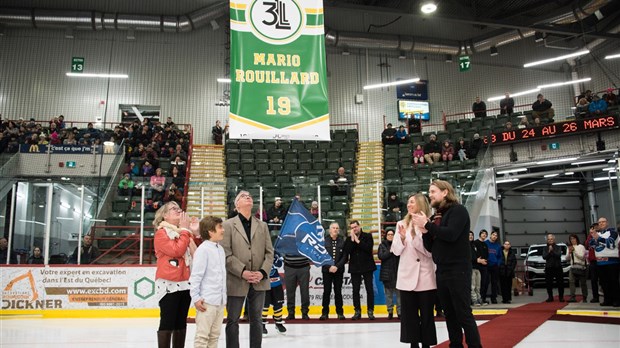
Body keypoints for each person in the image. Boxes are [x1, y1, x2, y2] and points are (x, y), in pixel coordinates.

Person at [412, 180, 481, 348]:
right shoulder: (437, 217)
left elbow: (451, 234)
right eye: (430, 192)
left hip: (458, 270)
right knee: (449, 314)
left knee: (463, 313)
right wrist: (425, 232)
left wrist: (427, 225)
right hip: (441, 271)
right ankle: (455, 345)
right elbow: (431, 247)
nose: (430, 195)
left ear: (445, 192)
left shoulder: (458, 211)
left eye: (433, 191)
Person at [221, 190, 274, 348]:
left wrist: (262, 272)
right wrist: (243, 271)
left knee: (257, 320)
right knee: (233, 320)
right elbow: (226, 253)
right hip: (236, 279)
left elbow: (269, 253)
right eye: (243, 196)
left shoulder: (262, 225)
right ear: (237, 205)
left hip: (259, 280)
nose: (248, 197)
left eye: (249, 196)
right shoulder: (227, 225)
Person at [391, 193, 437, 348]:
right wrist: (403, 239)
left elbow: (430, 252)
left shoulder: (429, 224)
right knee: (409, 316)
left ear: (420, 204)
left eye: (412, 202)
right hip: (406, 277)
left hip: (425, 276)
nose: (409, 205)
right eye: (408, 203)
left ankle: (426, 344)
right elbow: (396, 251)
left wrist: (415, 238)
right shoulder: (401, 224)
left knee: (426, 315)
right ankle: (413, 344)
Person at [154, 202, 198, 348]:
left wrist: (194, 232)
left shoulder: (183, 233)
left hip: (185, 282)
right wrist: (185, 230)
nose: (178, 210)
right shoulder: (161, 233)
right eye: (174, 209)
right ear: (164, 215)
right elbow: (177, 251)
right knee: (167, 322)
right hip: (169, 283)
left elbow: (197, 254)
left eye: (179, 208)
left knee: (180, 322)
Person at [190, 216, 227, 348]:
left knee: (215, 336)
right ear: (211, 231)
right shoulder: (203, 250)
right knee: (202, 337)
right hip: (207, 301)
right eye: (220, 227)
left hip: (219, 301)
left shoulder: (220, 249)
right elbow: (196, 276)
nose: (223, 230)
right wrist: (195, 297)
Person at [344, 220, 376, 320]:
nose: (354, 229)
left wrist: (358, 241)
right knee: (355, 290)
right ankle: (357, 311)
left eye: (355, 227)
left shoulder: (367, 236)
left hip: (367, 266)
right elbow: (347, 251)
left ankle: (370, 310)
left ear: (359, 226)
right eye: (352, 227)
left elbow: (368, 248)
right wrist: (352, 240)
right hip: (355, 267)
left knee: (369, 289)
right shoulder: (349, 239)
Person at [589, 217, 619, 307]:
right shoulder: (597, 234)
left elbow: (611, 244)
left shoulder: (613, 232)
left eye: (603, 222)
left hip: (612, 261)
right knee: (604, 283)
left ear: (607, 223)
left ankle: (617, 300)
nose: (601, 223)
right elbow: (591, 245)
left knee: (613, 282)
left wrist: (599, 239)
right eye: (599, 222)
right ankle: (607, 299)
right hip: (600, 262)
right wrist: (593, 237)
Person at [320, 222, 346, 320]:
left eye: (337, 228)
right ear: (330, 230)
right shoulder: (324, 241)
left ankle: (340, 312)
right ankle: (325, 313)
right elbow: (321, 256)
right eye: (333, 228)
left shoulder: (342, 241)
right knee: (327, 291)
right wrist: (329, 267)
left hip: (338, 271)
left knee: (338, 291)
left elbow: (345, 257)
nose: (335, 230)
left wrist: (337, 266)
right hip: (327, 271)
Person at [262, 254, 287, 336]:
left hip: (276, 284)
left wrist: (274, 259)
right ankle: (262, 325)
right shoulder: (258, 252)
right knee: (264, 306)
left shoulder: (275, 253)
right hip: (264, 284)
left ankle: (278, 322)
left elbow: (280, 265)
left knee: (278, 304)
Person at [378, 230, 401, 320]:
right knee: (388, 294)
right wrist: (390, 251)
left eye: (392, 234)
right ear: (386, 235)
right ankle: (390, 311)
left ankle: (399, 312)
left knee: (399, 295)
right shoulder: (382, 245)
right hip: (386, 273)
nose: (390, 236)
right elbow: (381, 256)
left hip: (397, 272)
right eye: (389, 234)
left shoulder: (398, 244)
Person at [283, 252, 311, 321]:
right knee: (290, 291)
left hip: (304, 267)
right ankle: (291, 312)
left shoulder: (305, 240)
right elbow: (281, 247)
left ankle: (305, 313)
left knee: (305, 291)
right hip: (289, 267)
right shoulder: (285, 240)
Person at [566, 234, 588, 303]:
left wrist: (574, 251)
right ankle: (572, 296)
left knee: (583, 283)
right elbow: (567, 259)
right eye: (571, 239)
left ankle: (584, 297)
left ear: (576, 239)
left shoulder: (581, 247)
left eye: (573, 238)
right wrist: (569, 253)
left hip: (581, 266)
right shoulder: (569, 247)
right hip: (573, 266)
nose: (572, 240)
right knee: (571, 281)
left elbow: (582, 257)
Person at [543, 233, 564, 302]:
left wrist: (552, 251)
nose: (550, 240)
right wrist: (549, 251)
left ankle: (561, 297)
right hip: (549, 268)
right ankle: (550, 297)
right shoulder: (545, 248)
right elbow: (544, 257)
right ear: (547, 240)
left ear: (554, 239)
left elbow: (558, 255)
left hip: (557, 267)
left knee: (560, 283)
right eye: (549, 239)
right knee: (549, 283)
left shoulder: (558, 247)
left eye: (551, 239)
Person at [585, 223, 600, 303]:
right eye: (591, 229)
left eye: (594, 228)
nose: (592, 230)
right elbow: (587, 244)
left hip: (601, 260)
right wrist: (591, 235)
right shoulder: (590, 237)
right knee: (593, 280)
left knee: (604, 280)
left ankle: (608, 296)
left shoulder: (601, 235)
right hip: (593, 261)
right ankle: (595, 297)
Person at [485, 231, 501, 304]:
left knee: (494, 283)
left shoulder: (498, 246)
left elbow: (500, 256)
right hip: (486, 265)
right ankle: (483, 297)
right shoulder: (485, 243)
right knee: (485, 282)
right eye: (493, 235)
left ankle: (493, 298)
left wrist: (497, 263)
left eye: (496, 235)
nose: (494, 236)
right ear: (490, 236)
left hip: (495, 266)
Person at [469, 231, 484, 306]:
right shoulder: (465, 245)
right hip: (471, 267)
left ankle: (479, 299)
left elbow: (477, 255)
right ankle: (474, 300)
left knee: (478, 286)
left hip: (477, 267)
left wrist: (479, 260)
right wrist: (476, 260)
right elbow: (467, 257)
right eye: (469, 235)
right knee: (473, 286)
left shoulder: (474, 245)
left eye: (472, 235)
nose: (471, 236)